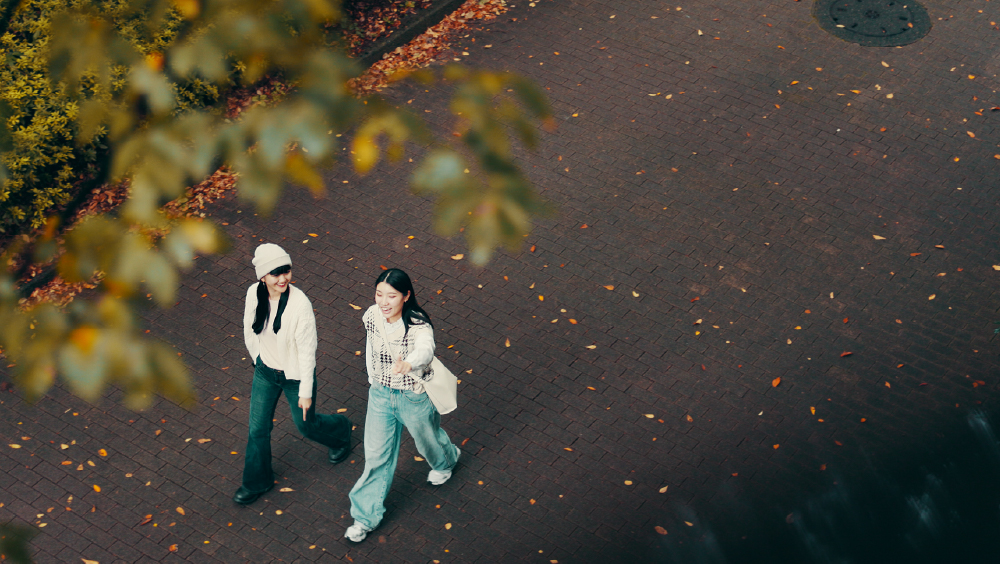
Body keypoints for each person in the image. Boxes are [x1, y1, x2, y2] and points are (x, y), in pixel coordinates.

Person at [344, 268, 460, 542]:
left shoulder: (418, 324)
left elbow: (425, 349)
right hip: (381, 395)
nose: (384, 301)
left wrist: (409, 363)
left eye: (391, 296)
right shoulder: (372, 315)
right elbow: (372, 344)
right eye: (379, 294)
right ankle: (364, 518)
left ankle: (447, 460)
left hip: (413, 396)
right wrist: (374, 376)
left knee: (427, 441)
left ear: (406, 296)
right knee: (376, 457)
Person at [233, 243, 353, 505]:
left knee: (306, 425)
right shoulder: (253, 293)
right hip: (265, 372)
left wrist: (306, 391)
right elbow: (248, 328)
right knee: (257, 430)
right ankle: (257, 481)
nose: (283, 278)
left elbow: (308, 353)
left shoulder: (300, 306)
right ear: (262, 276)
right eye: (275, 273)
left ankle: (342, 432)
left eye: (286, 270)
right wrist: (258, 360)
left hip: (295, 376)